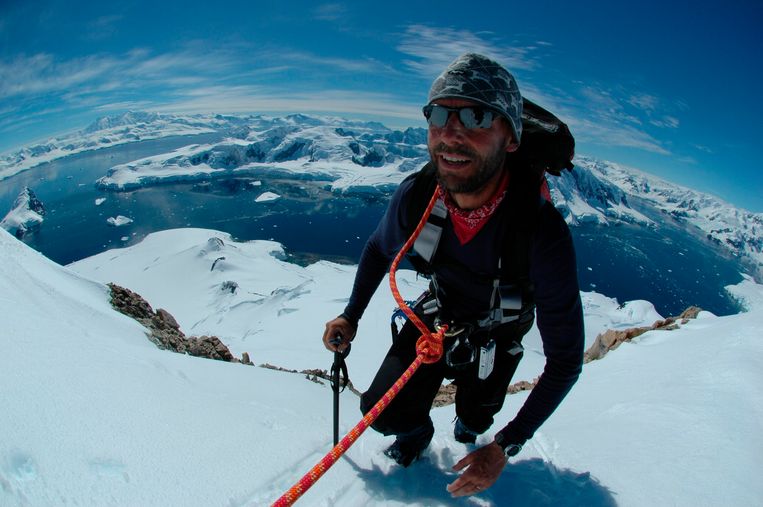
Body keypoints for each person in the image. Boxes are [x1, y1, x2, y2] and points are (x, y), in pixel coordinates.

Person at [322, 53, 584, 497]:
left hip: (498, 333)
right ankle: (416, 434)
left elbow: (565, 362)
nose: (451, 133)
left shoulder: (540, 232)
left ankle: (470, 425)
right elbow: (379, 249)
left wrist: (503, 447)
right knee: (382, 411)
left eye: (477, 116)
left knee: (477, 419)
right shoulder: (418, 196)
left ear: (511, 138)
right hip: (437, 317)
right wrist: (351, 315)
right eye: (439, 115)